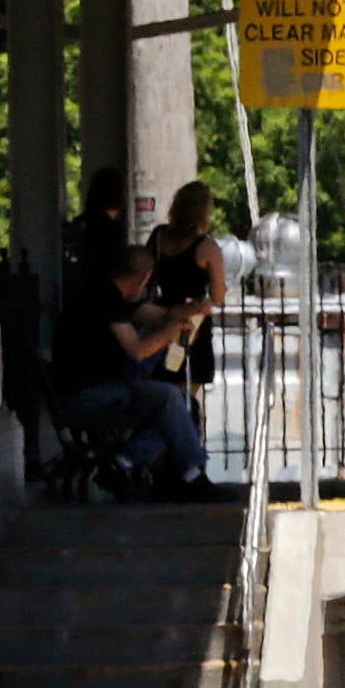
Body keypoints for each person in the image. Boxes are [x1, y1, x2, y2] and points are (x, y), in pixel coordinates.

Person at [56, 239, 215, 497]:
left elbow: (159, 315)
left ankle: (126, 461)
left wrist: (189, 310)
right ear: (144, 279)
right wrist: (170, 332)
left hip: (97, 387)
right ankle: (190, 474)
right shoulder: (103, 299)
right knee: (169, 398)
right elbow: (138, 350)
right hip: (87, 394)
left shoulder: (108, 294)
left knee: (182, 405)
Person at [144, 180, 230, 392]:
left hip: (162, 315)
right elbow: (218, 295)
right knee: (186, 395)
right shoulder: (207, 247)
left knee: (161, 387)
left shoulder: (158, 236)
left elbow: (145, 273)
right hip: (194, 320)